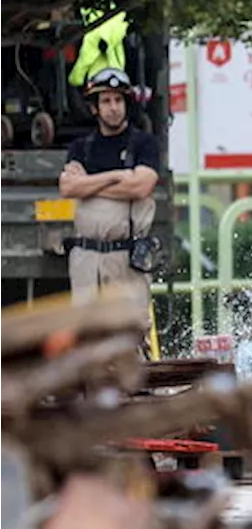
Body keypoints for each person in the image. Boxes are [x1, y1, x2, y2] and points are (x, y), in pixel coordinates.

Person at [58, 68, 161, 346]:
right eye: (106, 101)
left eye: (118, 100)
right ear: (95, 107)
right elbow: (68, 188)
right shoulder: (81, 147)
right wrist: (117, 176)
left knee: (130, 335)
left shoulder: (144, 143)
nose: (113, 108)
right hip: (85, 258)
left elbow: (141, 187)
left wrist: (89, 183)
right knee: (86, 337)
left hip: (125, 256)